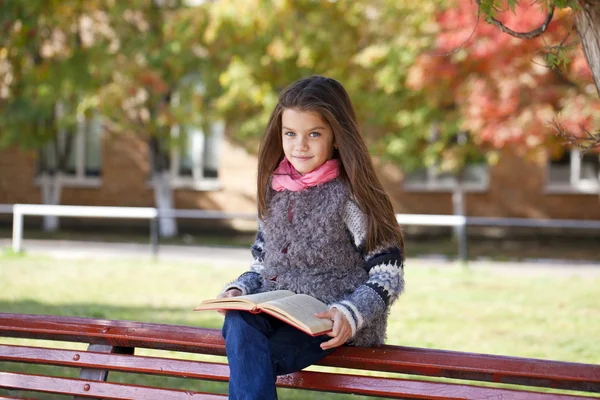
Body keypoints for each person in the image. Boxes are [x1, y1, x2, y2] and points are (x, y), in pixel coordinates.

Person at [218, 75, 405, 400]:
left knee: (250, 356)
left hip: (331, 319)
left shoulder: (351, 197)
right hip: (277, 311)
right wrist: (241, 288)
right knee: (237, 320)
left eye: (313, 134)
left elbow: (388, 272)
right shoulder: (275, 190)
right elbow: (263, 263)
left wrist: (350, 313)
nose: (299, 145)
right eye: (290, 134)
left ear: (336, 136)